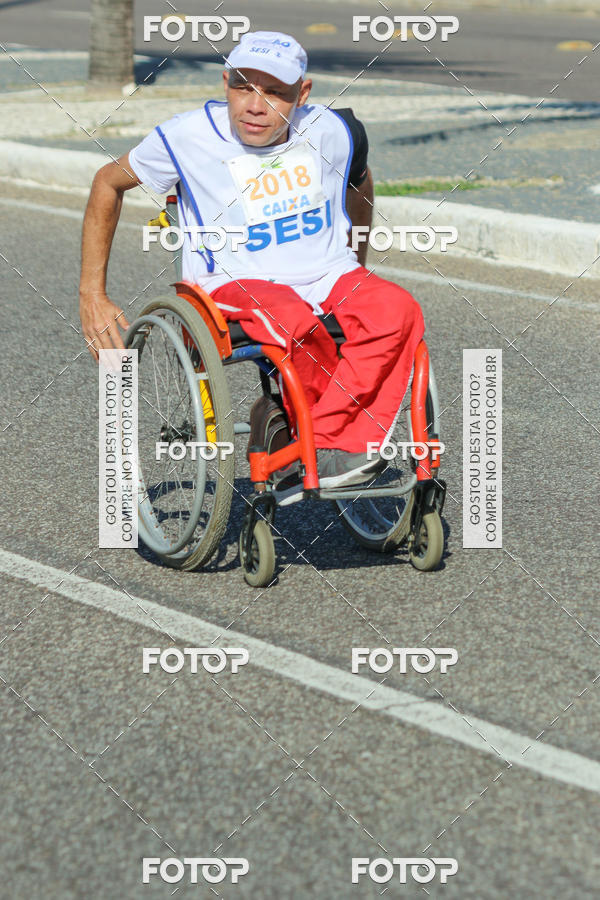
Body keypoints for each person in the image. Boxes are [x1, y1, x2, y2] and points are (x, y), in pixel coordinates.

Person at [79, 30, 424, 502]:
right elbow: (106, 183)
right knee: (288, 317)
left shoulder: (333, 130)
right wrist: (92, 295)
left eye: (275, 92)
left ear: (302, 94)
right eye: (243, 86)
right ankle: (318, 444)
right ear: (225, 83)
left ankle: (325, 442)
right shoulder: (187, 136)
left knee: (397, 310)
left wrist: (355, 265)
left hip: (326, 275)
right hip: (231, 283)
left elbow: (358, 181)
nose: (255, 106)